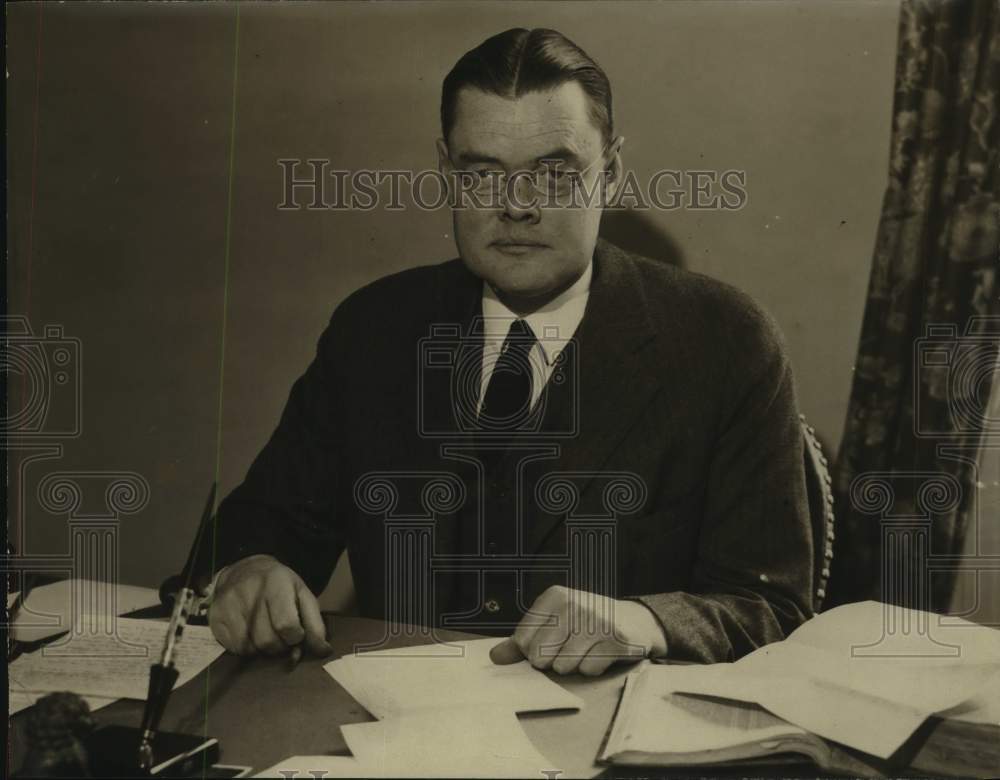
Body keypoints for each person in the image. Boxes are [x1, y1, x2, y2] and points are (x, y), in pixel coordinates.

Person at [199, 27, 813, 675]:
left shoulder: (724, 339)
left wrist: (644, 620)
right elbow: (260, 527)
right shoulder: (375, 328)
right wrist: (248, 569)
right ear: (446, 174)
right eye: (482, 172)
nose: (516, 206)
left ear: (611, 173)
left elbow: (770, 606)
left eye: (554, 173)